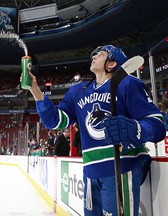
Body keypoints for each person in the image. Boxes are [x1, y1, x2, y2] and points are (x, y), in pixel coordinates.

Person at [27, 45, 166, 215]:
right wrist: (35, 90)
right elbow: (54, 121)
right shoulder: (77, 92)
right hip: (91, 172)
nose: (94, 55)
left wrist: (137, 129)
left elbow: (157, 123)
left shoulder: (128, 84)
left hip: (121, 168)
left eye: (100, 54)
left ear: (111, 64)